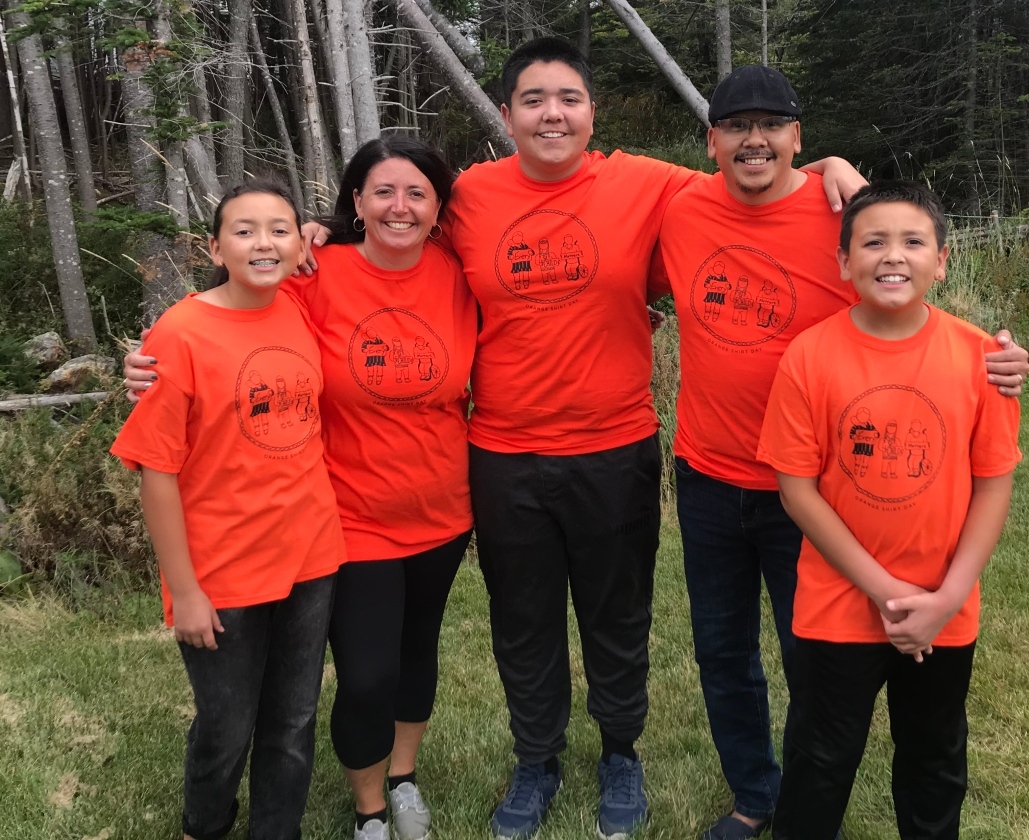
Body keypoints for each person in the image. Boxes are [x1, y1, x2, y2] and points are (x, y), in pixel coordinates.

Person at [296, 38, 862, 840]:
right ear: (506, 116)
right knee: (522, 623)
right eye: (533, 100)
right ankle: (536, 762)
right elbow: (397, 222)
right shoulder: (471, 198)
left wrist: (838, 164)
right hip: (503, 454)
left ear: (591, 112)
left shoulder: (650, 185)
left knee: (617, 618)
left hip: (615, 445)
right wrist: (319, 236)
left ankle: (620, 755)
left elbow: (758, 172)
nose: (552, 113)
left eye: (568, 98)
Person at [648, 66, 1029, 840]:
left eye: (772, 125)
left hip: (820, 490)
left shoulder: (839, 215)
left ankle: (811, 796)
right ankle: (758, 795)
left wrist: (998, 359)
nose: (754, 139)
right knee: (723, 656)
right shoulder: (679, 205)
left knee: (816, 665)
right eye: (736, 125)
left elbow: (906, 269)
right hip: (710, 474)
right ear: (711, 140)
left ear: (798, 137)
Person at [124, 137, 478, 840]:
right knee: (321, 689)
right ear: (355, 200)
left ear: (440, 208)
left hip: (388, 524)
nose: (399, 206)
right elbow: (224, 321)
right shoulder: (302, 283)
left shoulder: (451, 274)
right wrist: (144, 363)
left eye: (417, 193)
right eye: (382, 191)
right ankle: (306, 814)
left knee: (359, 683)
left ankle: (369, 793)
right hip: (315, 530)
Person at [756, 181, 1021, 839]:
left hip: (944, 608)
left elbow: (992, 486)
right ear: (843, 262)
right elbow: (798, 491)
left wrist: (945, 598)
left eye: (912, 241)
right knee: (820, 759)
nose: (892, 256)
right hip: (837, 608)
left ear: (943, 260)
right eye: (872, 242)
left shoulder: (983, 358)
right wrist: (886, 591)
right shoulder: (810, 357)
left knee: (934, 759)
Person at [110, 179, 345, 840]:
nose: (262, 242)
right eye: (244, 231)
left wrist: (323, 230)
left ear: (301, 243)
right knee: (226, 724)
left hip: (309, 555)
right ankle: (204, 827)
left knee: (294, 720)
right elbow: (157, 472)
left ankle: (277, 829)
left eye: (279, 228)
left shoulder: (296, 307)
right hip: (222, 572)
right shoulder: (181, 332)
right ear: (214, 247)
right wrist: (184, 590)